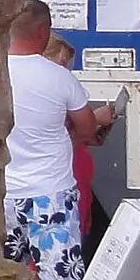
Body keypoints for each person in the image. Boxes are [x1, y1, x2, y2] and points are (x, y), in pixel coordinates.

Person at [3, 0, 115, 280]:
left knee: (12, 273)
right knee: (55, 275)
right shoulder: (59, 77)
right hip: (51, 190)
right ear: (43, 31)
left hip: (5, 191)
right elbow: (87, 127)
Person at [44, 34, 104, 240]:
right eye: (61, 64)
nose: (65, 71)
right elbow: (58, 140)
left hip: (78, 176)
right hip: (58, 181)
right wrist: (95, 119)